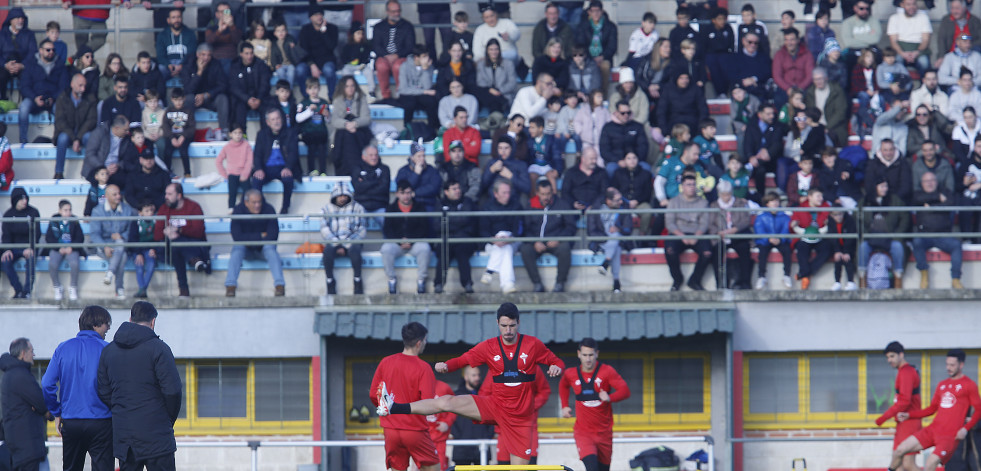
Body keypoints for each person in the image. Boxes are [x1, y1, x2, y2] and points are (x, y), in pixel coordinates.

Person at [377, 302, 565, 467]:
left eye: (512, 326)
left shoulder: (533, 345)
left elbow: (557, 362)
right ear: (497, 324)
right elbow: (464, 359)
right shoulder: (489, 346)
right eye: (504, 326)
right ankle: (393, 406)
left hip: (521, 420)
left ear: (519, 323)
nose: (508, 331)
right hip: (494, 406)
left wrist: (556, 367)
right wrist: (447, 365)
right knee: (447, 401)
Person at [98, 301, 182, 471]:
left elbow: (103, 391)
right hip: (157, 435)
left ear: (130, 319)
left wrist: (122, 409)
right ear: (153, 322)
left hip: (125, 435)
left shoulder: (108, 351)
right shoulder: (159, 349)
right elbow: (173, 391)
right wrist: (167, 419)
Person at [42, 306, 114, 471]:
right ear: (96, 324)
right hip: (102, 421)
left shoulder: (63, 348)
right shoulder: (107, 349)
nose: (108, 328)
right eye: (106, 324)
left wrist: (57, 411)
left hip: (71, 420)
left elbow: (47, 384)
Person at [888, 349, 981, 471]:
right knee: (900, 450)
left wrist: (965, 428)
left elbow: (979, 411)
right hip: (933, 430)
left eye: (952, 365)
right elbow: (931, 409)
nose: (948, 368)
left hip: (949, 436)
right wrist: (909, 415)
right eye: (947, 364)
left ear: (961, 365)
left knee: (930, 464)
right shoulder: (942, 384)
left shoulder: (969, 385)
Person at [369, 322, 439, 471]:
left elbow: (373, 394)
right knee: (433, 467)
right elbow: (429, 404)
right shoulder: (423, 368)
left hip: (390, 430)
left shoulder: (385, 362)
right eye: (425, 340)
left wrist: (387, 411)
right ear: (419, 343)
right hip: (415, 430)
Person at [559, 338, 630, 471]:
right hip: (584, 433)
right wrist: (564, 405)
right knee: (592, 468)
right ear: (578, 354)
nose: (588, 359)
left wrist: (610, 397)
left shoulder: (607, 371)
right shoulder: (571, 373)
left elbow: (625, 391)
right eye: (585, 355)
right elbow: (563, 384)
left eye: (591, 355)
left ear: (597, 353)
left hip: (604, 433)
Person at [1, 338, 52, 471]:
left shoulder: (9, 374)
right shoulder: (21, 375)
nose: (33, 354)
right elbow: (41, 402)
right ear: (23, 353)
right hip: (27, 445)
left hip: (18, 443)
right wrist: (47, 413)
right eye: (31, 351)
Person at [224, 189, 285, 297]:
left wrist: (249, 239)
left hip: (263, 249)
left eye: (259, 202)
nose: (257, 205)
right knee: (238, 249)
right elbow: (236, 237)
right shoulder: (238, 210)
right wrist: (260, 235)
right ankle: (230, 287)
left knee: (270, 249)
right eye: (254, 202)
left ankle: (280, 286)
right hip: (246, 249)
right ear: (246, 202)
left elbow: (272, 236)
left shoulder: (269, 209)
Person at [154, 183, 211, 297]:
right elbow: (157, 235)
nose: (166, 196)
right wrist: (167, 233)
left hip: (193, 244)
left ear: (179, 196)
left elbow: (198, 232)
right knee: (175, 245)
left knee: (177, 246)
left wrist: (179, 231)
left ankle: (183, 290)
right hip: (171, 248)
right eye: (166, 193)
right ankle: (194, 260)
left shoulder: (193, 207)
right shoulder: (164, 209)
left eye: (170, 194)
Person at [874, 341, 922, 471]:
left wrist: (883, 418)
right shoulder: (903, 371)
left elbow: (905, 401)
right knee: (899, 465)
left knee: (908, 464)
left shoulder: (907, 372)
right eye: (888, 357)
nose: (889, 360)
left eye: (892, 356)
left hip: (909, 422)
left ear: (901, 354)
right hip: (903, 423)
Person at [522, 181, 576, 292]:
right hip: (536, 243)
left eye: (548, 193)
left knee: (565, 248)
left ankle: (560, 283)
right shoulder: (530, 205)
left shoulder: (562, 205)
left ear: (552, 192)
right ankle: (537, 284)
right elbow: (525, 229)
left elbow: (570, 227)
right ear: (537, 193)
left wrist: (558, 239)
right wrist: (534, 242)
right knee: (525, 249)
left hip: (555, 242)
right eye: (543, 194)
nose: (546, 197)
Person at [912, 172, 962, 289]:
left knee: (956, 245)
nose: (929, 183)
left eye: (932, 180)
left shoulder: (946, 192)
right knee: (916, 242)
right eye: (926, 181)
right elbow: (918, 199)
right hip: (925, 235)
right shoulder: (918, 194)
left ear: (937, 181)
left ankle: (956, 279)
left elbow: (950, 203)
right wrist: (938, 199)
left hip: (943, 235)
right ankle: (924, 274)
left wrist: (930, 207)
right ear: (921, 183)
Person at [382, 180, 432, 294]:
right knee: (386, 249)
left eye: (408, 193)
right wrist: (400, 241)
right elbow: (387, 229)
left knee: (425, 248)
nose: (406, 196)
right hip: (397, 243)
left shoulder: (420, 207)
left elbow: (424, 228)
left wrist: (411, 240)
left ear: (412, 193)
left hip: (414, 243)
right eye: (403, 193)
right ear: (397, 194)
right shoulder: (391, 208)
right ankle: (392, 279)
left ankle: (421, 280)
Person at [664, 174, 711, 291]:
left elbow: (704, 223)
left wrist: (697, 236)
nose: (691, 187)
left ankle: (695, 281)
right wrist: (681, 236)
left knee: (707, 252)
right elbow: (669, 222)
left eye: (693, 184)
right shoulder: (673, 202)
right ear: (682, 187)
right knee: (670, 250)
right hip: (678, 234)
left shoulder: (703, 202)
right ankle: (677, 280)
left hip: (697, 234)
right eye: (688, 185)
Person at [20, 38, 69, 143]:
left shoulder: (60, 65)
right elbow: (24, 86)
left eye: (53, 50)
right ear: (40, 51)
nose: (51, 52)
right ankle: (23, 139)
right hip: (34, 98)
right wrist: (34, 98)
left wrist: (53, 98)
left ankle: (57, 138)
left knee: (60, 108)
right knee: (24, 107)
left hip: (53, 99)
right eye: (48, 50)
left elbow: (63, 87)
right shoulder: (30, 64)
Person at [251, 107, 299, 214]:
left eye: (278, 118)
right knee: (256, 180)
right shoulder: (262, 134)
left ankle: (285, 208)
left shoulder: (290, 133)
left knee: (288, 179)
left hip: (283, 167)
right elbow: (257, 154)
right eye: (273, 119)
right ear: (268, 122)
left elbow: (293, 153)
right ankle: (261, 207)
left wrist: (288, 168)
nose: (276, 121)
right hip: (266, 168)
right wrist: (258, 169)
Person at [90, 184, 135, 298]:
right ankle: (119, 289)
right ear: (106, 196)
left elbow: (130, 230)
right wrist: (105, 246)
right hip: (103, 247)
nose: (118, 196)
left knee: (120, 244)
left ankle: (110, 273)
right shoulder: (97, 211)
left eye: (119, 193)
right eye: (115, 194)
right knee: (122, 256)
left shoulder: (127, 209)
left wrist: (121, 236)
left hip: (121, 244)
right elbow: (95, 234)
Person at [321, 184, 366, 295]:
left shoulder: (358, 208)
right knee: (327, 252)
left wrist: (346, 244)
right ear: (334, 196)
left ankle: (357, 280)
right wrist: (337, 244)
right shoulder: (326, 209)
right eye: (339, 195)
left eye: (345, 195)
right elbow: (324, 228)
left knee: (355, 251)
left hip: (352, 242)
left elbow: (362, 229)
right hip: (334, 242)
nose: (342, 198)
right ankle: (330, 281)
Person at [480, 179, 522, 294]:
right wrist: (494, 239)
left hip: (513, 241)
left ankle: (489, 271)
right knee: (505, 248)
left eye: (508, 192)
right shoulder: (487, 207)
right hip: (492, 244)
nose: (507, 195)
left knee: (506, 244)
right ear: (495, 194)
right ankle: (507, 284)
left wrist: (510, 238)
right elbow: (483, 230)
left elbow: (520, 227)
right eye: (504, 193)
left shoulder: (516, 205)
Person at [433, 180, 476, 294]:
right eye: (454, 189)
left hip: (463, 239)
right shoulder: (440, 204)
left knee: (462, 252)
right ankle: (439, 284)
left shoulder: (467, 202)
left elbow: (467, 219)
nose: (458, 191)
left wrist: (448, 221)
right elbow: (437, 225)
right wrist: (458, 224)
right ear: (446, 192)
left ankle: (467, 284)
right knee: (444, 253)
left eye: (458, 188)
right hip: (446, 239)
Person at [709, 180, 753, 290]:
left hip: (737, 235)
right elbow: (710, 223)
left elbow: (745, 220)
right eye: (723, 194)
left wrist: (734, 229)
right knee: (717, 254)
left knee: (744, 250)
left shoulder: (740, 203)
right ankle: (720, 283)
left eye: (728, 194)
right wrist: (720, 232)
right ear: (719, 194)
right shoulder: (714, 205)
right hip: (720, 236)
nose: (726, 197)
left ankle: (745, 282)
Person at [54, 73, 98, 180]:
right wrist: (74, 139)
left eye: (84, 86)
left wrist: (78, 138)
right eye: (80, 85)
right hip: (68, 133)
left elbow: (91, 121)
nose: (83, 89)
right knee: (62, 138)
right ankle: (58, 172)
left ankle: (89, 172)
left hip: (82, 134)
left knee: (89, 137)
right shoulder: (62, 98)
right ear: (72, 84)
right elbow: (60, 122)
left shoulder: (90, 99)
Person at [180, 44, 229, 137]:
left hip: (210, 98)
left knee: (223, 98)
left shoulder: (215, 64)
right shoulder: (188, 65)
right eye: (203, 55)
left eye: (209, 55)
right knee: (188, 98)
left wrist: (206, 95)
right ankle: (189, 132)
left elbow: (223, 85)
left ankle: (223, 132)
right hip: (194, 99)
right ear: (198, 54)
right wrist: (199, 72)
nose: (206, 58)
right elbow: (188, 89)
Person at [450, 367, 495, 466]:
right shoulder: (456, 396)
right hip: (462, 447)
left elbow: (493, 416)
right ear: (466, 377)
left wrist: (487, 436)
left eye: (478, 375)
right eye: (474, 375)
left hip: (482, 446)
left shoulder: (486, 395)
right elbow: (450, 419)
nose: (477, 378)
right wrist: (459, 437)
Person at [587, 188, 629, 292]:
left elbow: (628, 229)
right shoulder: (596, 209)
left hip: (619, 240)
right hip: (601, 241)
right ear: (608, 201)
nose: (621, 202)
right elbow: (591, 231)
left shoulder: (624, 208)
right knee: (615, 246)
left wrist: (619, 229)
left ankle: (606, 262)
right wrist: (606, 237)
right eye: (617, 200)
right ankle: (616, 283)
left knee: (615, 238)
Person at [2, 188, 41, 299]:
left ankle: (27, 291)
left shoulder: (33, 212)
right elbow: (6, 235)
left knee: (31, 260)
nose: (24, 201)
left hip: (29, 247)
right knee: (5, 262)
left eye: (25, 198)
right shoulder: (8, 214)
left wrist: (31, 247)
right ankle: (18, 290)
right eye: (21, 199)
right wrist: (7, 250)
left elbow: (36, 233)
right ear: (15, 200)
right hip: (13, 248)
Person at [791, 188, 833, 290]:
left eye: (821, 196)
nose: (821, 199)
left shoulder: (826, 208)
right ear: (810, 197)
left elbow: (830, 223)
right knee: (802, 248)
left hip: (821, 236)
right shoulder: (800, 208)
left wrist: (829, 223)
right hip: (804, 237)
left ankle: (804, 274)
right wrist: (794, 224)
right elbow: (793, 223)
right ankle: (805, 274)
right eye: (818, 196)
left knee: (827, 250)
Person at [372, 0, 415, 100]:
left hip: (401, 57)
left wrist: (397, 55)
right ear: (387, 11)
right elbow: (375, 46)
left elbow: (410, 46)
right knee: (381, 66)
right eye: (394, 11)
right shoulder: (378, 26)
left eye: (398, 11)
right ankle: (386, 96)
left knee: (398, 66)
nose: (397, 14)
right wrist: (386, 56)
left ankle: (401, 94)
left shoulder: (407, 26)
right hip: (383, 57)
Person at [742, 104, 784, 198]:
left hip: (771, 160)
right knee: (759, 170)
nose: (772, 116)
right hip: (755, 161)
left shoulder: (777, 126)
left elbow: (777, 144)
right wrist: (750, 157)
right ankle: (759, 198)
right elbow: (747, 144)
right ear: (760, 115)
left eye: (772, 114)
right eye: (768, 114)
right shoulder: (751, 126)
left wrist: (768, 152)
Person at [574, 0, 617, 92]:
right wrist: (590, 58)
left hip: (604, 58)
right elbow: (581, 45)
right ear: (589, 12)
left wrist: (602, 57)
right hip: (587, 58)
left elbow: (612, 47)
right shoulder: (583, 26)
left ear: (602, 11)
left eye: (598, 11)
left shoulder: (610, 26)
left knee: (605, 66)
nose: (596, 13)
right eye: (593, 11)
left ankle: (603, 95)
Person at [298, 6, 338, 98]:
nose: (319, 17)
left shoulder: (332, 28)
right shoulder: (305, 30)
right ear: (310, 18)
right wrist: (312, 65)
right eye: (316, 15)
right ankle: (306, 98)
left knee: (329, 70)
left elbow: (331, 47)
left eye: (320, 14)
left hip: (326, 60)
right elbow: (303, 51)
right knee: (299, 70)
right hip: (310, 62)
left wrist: (324, 31)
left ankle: (332, 97)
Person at [228, 42, 271, 129]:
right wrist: (247, 99)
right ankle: (242, 136)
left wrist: (258, 98)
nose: (250, 56)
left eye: (251, 53)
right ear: (241, 54)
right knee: (238, 107)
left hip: (259, 98)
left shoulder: (261, 65)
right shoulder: (235, 66)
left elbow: (265, 84)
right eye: (246, 53)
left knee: (268, 108)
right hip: (243, 99)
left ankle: (265, 135)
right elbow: (234, 87)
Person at [600, 101, 649, 173]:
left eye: (628, 113)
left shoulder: (637, 127)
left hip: (635, 160)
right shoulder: (608, 128)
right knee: (610, 169)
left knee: (646, 168)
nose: (626, 115)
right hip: (616, 161)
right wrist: (618, 160)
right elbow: (604, 150)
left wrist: (633, 160)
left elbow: (643, 146)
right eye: (623, 113)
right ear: (616, 113)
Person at [887, 0, 933, 75]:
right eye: (908, 4)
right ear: (902, 5)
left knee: (924, 62)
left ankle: (924, 85)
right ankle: (900, 86)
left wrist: (917, 52)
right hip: (901, 49)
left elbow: (925, 40)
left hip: (919, 49)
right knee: (897, 62)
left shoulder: (924, 17)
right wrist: (902, 54)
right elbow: (893, 41)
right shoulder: (894, 18)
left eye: (914, 4)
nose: (912, 7)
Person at [0, 8, 37, 101]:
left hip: (23, 65)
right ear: (11, 20)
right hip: (5, 65)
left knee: (27, 78)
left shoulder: (29, 34)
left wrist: (22, 65)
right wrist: (6, 65)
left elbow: (33, 53)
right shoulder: (2, 34)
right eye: (17, 18)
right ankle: (2, 101)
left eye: (22, 18)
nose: (20, 20)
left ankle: (26, 102)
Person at [806, 67, 849, 146]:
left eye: (820, 79)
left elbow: (840, 113)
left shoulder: (837, 91)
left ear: (826, 78)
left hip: (831, 127)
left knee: (820, 138)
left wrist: (826, 127)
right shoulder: (810, 93)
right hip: (813, 127)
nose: (818, 82)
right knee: (801, 138)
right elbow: (808, 112)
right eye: (815, 79)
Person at [481, 137, 531, 201]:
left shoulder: (521, 165)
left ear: (512, 149)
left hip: (513, 202)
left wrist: (511, 176)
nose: (503, 151)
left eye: (506, 148)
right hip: (493, 203)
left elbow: (527, 188)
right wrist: (491, 171)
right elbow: (481, 187)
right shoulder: (492, 163)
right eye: (500, 148)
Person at [866, 139, 914, 205]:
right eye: (885, 150)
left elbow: (905, 186)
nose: (888, 153)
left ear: (894, 149)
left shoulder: (903, 164)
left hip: (898, 202)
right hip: (877, 202)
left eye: (891, 149)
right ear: (880, 150)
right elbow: (869, 185)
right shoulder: (872, 164)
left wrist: (893, 200)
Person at [772, 28, 814, 99]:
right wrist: (788, 88)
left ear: (798, 40)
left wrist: (800, 88)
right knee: (778, 99)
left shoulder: (807, 54)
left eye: (792, 40)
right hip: (785, 88)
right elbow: (777, 75)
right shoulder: (779, 54)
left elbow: (810, 75)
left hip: (803, 88)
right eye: (786, 40)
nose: (789, 43)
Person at [156, 8, 197, 79]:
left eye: (179, 17)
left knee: (193, 68)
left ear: (182, 18)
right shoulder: (162, 35)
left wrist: (181, 65)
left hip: (184, 64)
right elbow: (160, 55)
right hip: (168, 64)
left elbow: (191, 54)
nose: (176, 20)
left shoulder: (190, 34)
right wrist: (168, 65)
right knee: (160, 69)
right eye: (173, 17)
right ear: (168, 20)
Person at [730, 32, 772, 100]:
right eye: (750, 42)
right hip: (740, 90)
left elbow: (768, 72)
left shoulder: (764, 58)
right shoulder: (734, 58)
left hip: (759, 89)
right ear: (743, 41)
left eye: (755, 43)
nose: (753, 45)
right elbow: (732, 75)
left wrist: (754, 79)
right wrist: (743, 81)